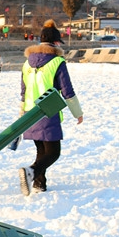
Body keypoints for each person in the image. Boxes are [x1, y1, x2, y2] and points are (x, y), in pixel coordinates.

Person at [17, 19, 84, 195]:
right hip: (48, 111)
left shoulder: (26, 63)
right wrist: (78, 113)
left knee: (42, 150)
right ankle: (31, 171)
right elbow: (67, 90)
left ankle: (40, 183)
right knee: (53, 152)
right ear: (55, 42)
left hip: (31, 112)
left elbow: (23, 91)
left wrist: (22, 113)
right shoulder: (57, 62)